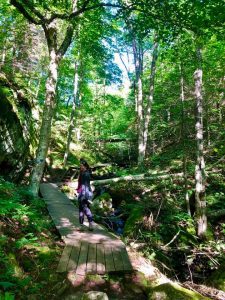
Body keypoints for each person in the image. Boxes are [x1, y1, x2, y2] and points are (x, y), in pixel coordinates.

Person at [76, 159, 94, 231]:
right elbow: (81, 184)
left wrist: (86, 197)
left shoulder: (86, 174)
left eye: (82, 166)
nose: (81, 167)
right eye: (80, 166)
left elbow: (86, 186)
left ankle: (90, 223)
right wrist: (78, 190)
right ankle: (82, 225)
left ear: (85, 166)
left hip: (85, 194)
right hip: (82, 193)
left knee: (85, 209)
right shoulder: (82, 173)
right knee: (81, 209)